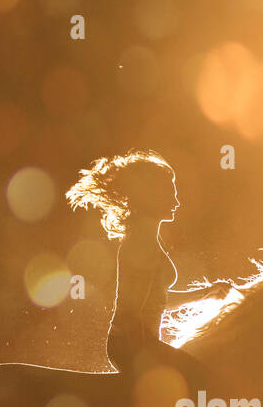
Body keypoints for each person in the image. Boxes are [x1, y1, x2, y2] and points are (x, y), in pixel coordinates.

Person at [66, 151, 228, 377]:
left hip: (136, 345)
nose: (177, 202)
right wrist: (145, 359)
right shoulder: (142, 240)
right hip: (133, 346)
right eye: (170, 194)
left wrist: (206, 293)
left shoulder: (146, 237)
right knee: (201, 377)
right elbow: (132, 312)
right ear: (151, 195)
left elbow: (155, 301)